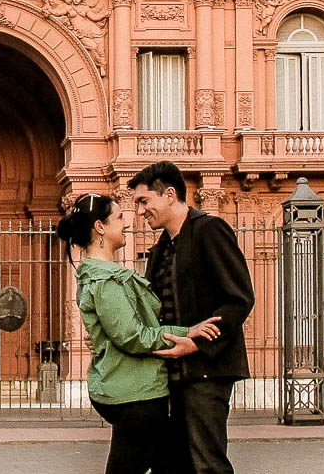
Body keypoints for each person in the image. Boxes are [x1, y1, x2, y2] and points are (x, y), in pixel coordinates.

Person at [56, 192, 215, 474]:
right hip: (135, 394)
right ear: (100, 228)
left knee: (171, 466)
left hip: (137, 389)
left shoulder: (107, 275)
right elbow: (132, 335)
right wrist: (186, 331)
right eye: (119, 217)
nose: (126, 223)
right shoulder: (105, 281)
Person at [128, 160, 254, 474]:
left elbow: (239, 299)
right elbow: (153, 309)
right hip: (171, 376)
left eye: (145, 201)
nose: (141, 211)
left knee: (207, 464)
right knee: (171, 464)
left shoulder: (209, 229)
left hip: (207, 372)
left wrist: (196, 344)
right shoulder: (160, 248)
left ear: (169, 194)